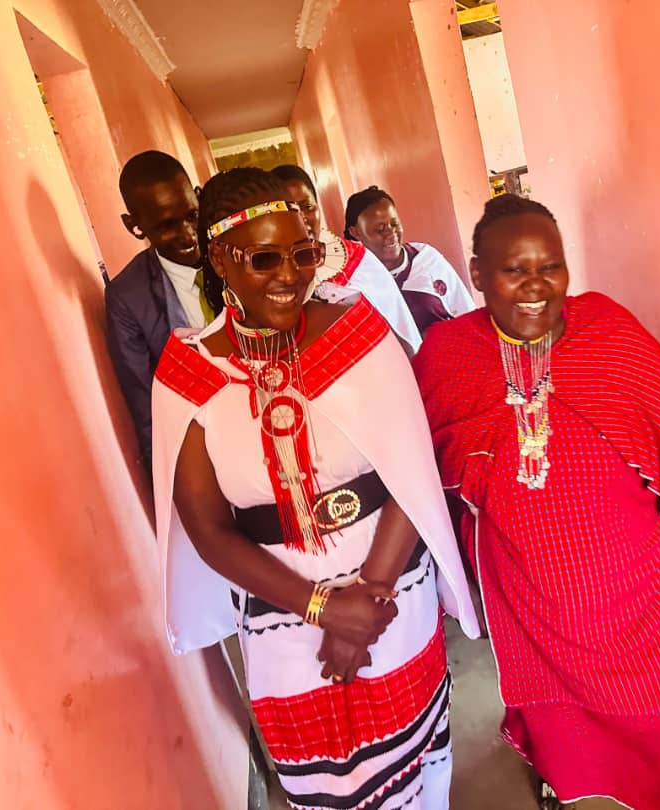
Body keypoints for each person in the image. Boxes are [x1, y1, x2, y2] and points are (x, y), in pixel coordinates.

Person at [151, 168, 480, 809]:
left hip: (391, 594)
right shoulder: (189, 373)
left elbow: (410, 467)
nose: (289, 276)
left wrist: (367, 602)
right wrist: (324, 609)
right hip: (283, 618)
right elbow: (208, 529)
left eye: (302, 255)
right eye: (264, 259)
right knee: (326, 786)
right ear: (219, 260)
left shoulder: (358, 334)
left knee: (419, 771)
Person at [413, 194, 660, 810]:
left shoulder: (611, 333)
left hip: (640, 592)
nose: (536, 286)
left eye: (550, 267)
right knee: (561, 719)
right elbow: (425, 468)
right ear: (477, 273)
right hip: (527, 591)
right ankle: (568, 784)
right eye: (514, 270)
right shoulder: (449, 355)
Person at [105, 150, 218, 472]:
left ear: (198, 197)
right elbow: (147, 408)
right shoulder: (128, 298)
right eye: (167, 225)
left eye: (192, 215)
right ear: (134, 226)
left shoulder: (236, 252)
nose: (188, 234)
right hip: (206, 453)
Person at [271, 164, 422, 352]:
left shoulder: (357, 260)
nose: (302, 218)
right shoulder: (266, 272)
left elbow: (401, 333)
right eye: (289, 210)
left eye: (307, 207)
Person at [344, 186, 476, 336]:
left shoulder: (426, 259)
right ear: (355, 232)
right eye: (380, 229)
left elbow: (466, 312)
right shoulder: (356, 280)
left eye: (394, 224)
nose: (391, 233)